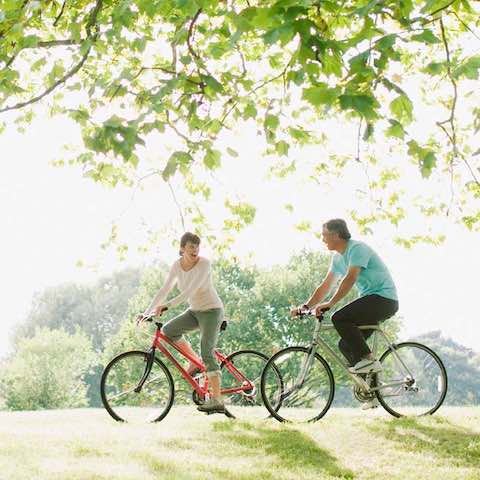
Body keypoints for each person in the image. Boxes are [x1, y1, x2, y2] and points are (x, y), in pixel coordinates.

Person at [292, 219, 399, 408]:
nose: (323, 239)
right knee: (346, 345)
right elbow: (325, 285)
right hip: (371, 300)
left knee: (339, 318)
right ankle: (373, 393)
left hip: (384, 299)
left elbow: (350, 279)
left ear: (336, 235)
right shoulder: (337, 258)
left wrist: (331, 303)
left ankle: (369, 361)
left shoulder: (357, 249)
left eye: (325, 235)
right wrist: (306, 306)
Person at [140, 232, 226, 414]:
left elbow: (190, 290)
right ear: (182, 249)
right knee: (169, 330)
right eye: (191, 247)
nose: (195, 250)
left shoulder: (204, 264)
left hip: (212, 311)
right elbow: (165, 289)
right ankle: (195, 362)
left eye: (197, 246)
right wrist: (146, 313)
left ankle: (218, 400)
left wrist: (167, 306)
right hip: (195, 311)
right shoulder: (176, 266)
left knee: (207, 350)